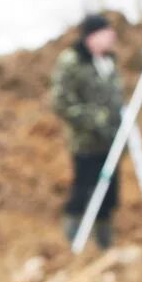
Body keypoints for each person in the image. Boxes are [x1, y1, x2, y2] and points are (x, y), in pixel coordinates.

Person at [50, 13, 124, 249]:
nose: (111, 37)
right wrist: (93, 119)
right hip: (85, 141)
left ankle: (103, 240)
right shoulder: (71, 61)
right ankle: (73, 237)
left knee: (109, 191)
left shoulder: (108, 61)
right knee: (84, 188)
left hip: (110, 140)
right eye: (105, 32)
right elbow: (61, 102)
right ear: (92, 36)